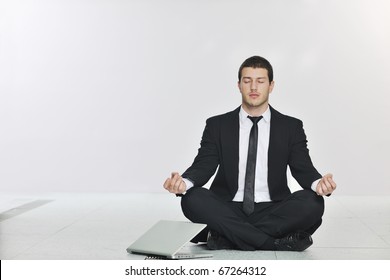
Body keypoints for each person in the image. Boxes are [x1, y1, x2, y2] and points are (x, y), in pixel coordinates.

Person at [163, 56, 336, 251]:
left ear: (271, 85)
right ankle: (274, 243)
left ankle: (225, 237)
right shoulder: (217, 125)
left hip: (273, 208)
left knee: (313, 203)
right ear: (239, 85)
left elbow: (303, 168)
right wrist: (183, 183)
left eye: (260, 81)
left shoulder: (291, 127)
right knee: (192, 199)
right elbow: (204, 164)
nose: (254, 87)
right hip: (228, 207)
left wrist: (320, 184)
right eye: (247, 81)